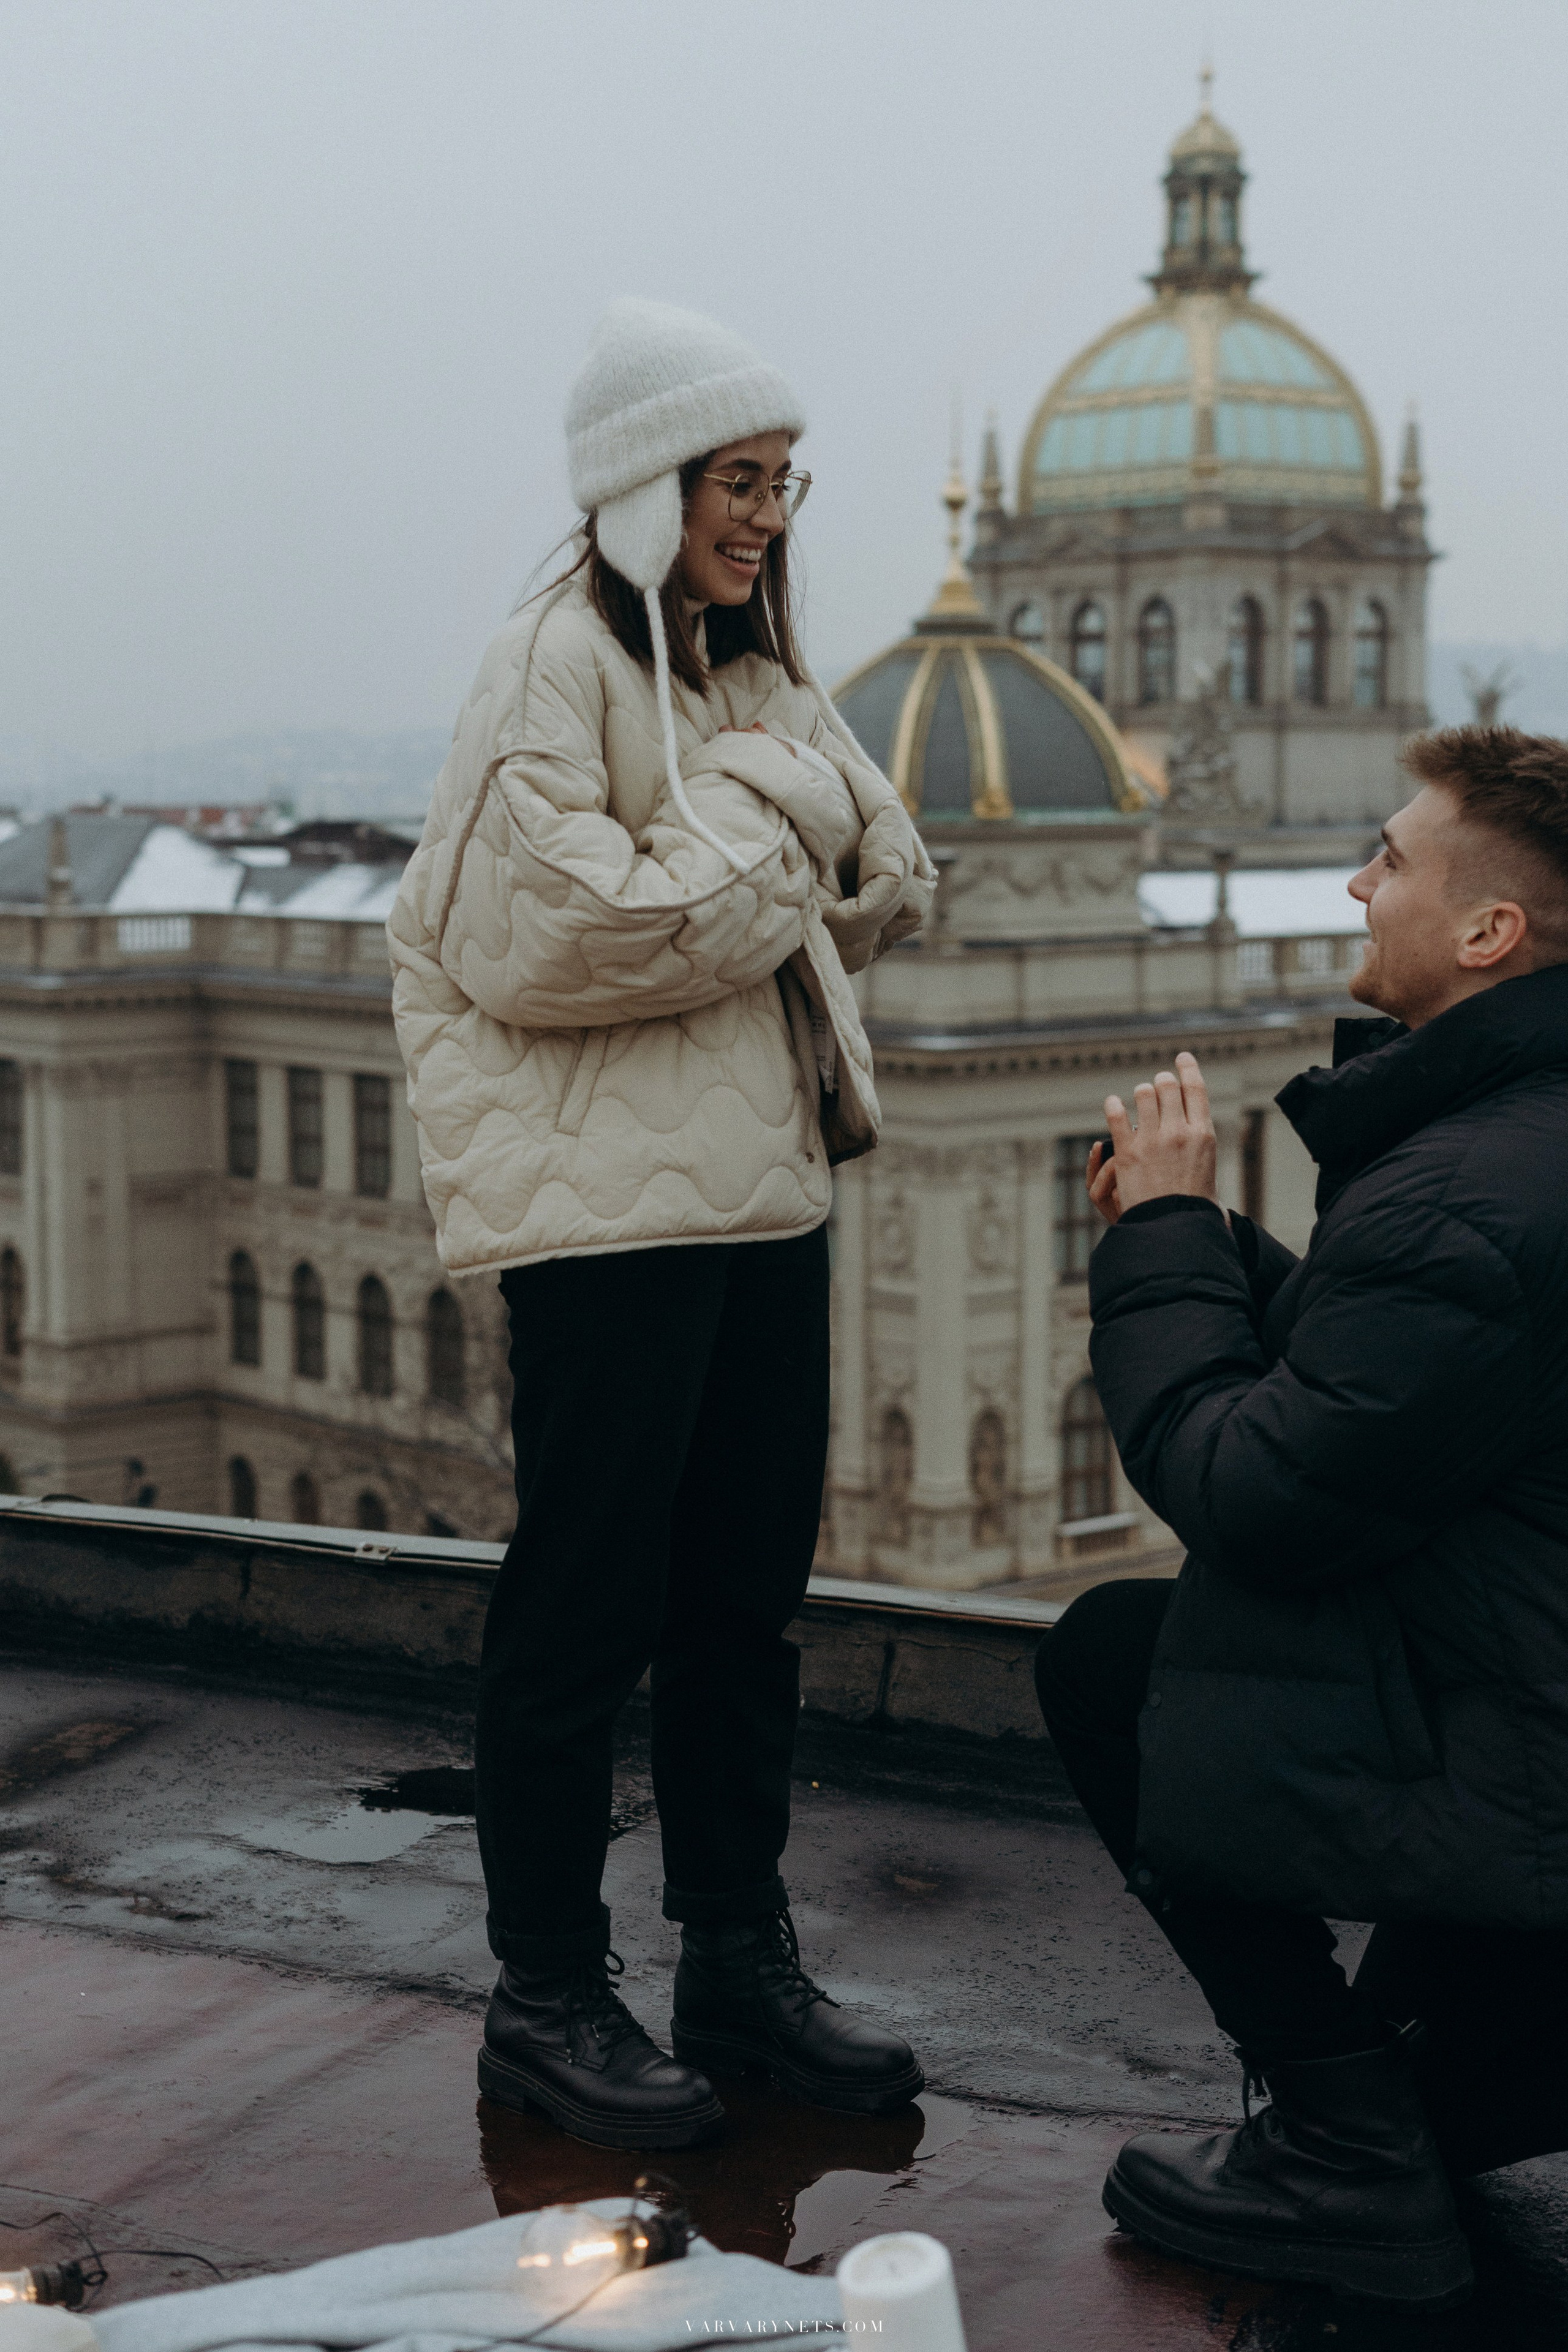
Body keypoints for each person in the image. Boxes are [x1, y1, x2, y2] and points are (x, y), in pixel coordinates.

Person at [390, 300, 933, 2150]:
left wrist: (763, 827)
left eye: (784, 483)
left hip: (764, 1192)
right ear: (645, 485)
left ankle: (734, 1962)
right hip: (608, 1219)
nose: (767, 516)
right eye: (735, 480)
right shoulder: (552, 663)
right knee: (584, 1609)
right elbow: (559, 936)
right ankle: (545, 1995)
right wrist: (779, 837)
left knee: (740, 1612)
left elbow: (889, 872)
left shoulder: (739, 681)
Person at [1035, 725, 1568, 2313]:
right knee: (1453, 2094)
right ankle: (1401, 2102)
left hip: (1531, 1744)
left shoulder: (1467, 1186)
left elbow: (1254, 1498)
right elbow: (1405, 1386)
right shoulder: (1516, 1139)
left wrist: (1170, 1239)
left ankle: (1339, 2147)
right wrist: (1200, 1242)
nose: (1353, 881)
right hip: (1528, 1671)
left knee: (1121, 1654)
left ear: (1490, 932)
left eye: (1390, 858)